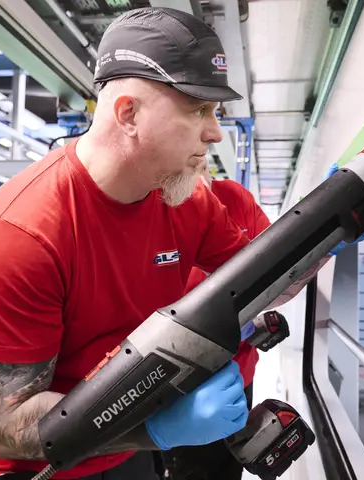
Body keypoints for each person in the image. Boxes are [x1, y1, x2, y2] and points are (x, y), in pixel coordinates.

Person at [0, 6, 364, 480]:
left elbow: (266, 287)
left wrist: (333, 228)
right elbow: (3, 424)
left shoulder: (186, 202)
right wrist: (158, 430)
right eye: (198, 110)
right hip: (25, 470)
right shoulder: (20, 238)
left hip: (119, 456)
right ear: (129, 114)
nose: (215, 132)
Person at [159, 164, 270, 480]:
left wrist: (329, 236)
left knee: (228, 467)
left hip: (236, 378)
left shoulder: (237, 199)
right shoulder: (153, 209)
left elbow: (277, 272)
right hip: (175, 383)